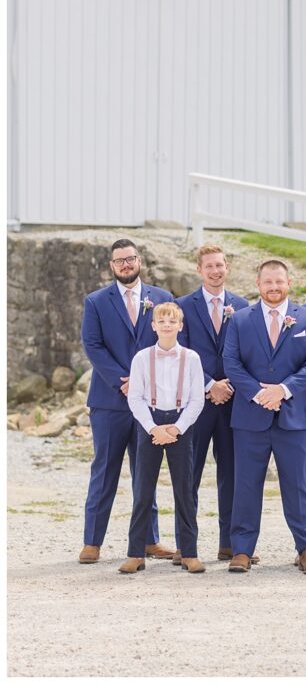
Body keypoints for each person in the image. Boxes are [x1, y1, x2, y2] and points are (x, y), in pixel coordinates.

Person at [221, 259, 306, 575]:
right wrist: (258, 393)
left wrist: (282, 389)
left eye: (279, 281)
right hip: (250, 418)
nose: (274, 287)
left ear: (289, 283)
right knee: (246, 485)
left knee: (297, 486)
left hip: (294, 418)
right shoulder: (240, 320)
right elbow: (231, 363)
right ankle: (241, 550)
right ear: (258, 284)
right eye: (268, 282)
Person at [79, 239, 174, 564]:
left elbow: (169, 344)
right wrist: (125, 380)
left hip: (150, 402)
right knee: (104, 469)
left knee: (145, 471)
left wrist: (144, 382)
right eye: (119, 260)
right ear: (111, 266)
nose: (125, 264)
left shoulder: (161, 299)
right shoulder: (96, 301)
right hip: (110, 400)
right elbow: (93, 345)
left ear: (139, 260)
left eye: (130, 258)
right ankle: (92, 541)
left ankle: (150, 540)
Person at [175, 245, 250, 563]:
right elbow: (181, 352)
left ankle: (229, 543)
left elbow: (247, 353)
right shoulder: (183, 306)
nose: (215, 271)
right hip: (196, 401)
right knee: (188, 474)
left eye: (220, 265)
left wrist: (228, 386)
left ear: (227, 268)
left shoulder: (242, 306)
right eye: (209, 266)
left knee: (232, 474)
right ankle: (184, 546)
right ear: (199, 270)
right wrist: (209, 385)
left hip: (233, 402)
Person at [120, 303, 206, 574]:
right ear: (153, 325)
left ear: (181, 326)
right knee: (143, 488)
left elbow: (197, 399)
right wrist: (152, 428)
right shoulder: (141, 359)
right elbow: (135, 397)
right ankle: (136, 552)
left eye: (173, 320)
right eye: (162, 320)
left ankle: (189, 552)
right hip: (150, 424)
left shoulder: (191, 358)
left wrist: (177, 428)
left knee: (184, 490)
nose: (167, 324)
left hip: (181, 424)